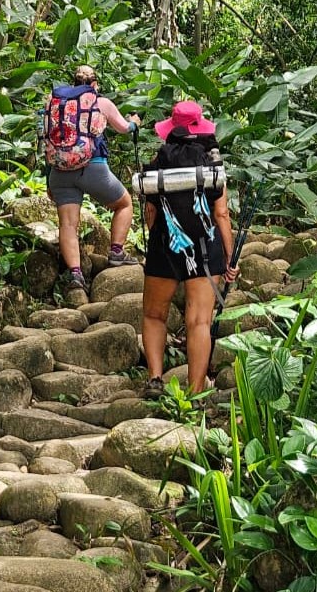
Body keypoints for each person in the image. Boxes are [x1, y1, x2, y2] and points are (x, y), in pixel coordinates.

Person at [140, 101, 238, 398]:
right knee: (199, 321)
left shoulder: (159, 161)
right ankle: (195, 392)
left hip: (165, 245)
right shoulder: (211, 164)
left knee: (155, 315)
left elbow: (150, 212)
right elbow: (221, 215)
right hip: (205, 249)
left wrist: (153, 237)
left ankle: (156, 379)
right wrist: (230, 257)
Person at [47, 65, 141, 291]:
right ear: (95, 84)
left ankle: (76, 276)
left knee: (68, 224)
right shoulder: (101, 102)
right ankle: (116, 251)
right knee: (124, 203)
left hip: (59, 171)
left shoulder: (55, 102)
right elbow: (123, 128)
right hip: (93, 168)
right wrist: (135, 123)